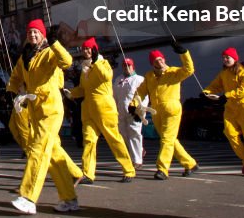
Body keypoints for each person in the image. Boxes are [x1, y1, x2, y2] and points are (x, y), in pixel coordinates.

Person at [9, 19, 79, 215]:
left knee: (38, 150)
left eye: (36, 32)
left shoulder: (50, 52)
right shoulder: (25, 57)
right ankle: (69, 199)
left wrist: (55, 42)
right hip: (34, 109)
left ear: (42, 35)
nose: (32, 35)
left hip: (50, 108)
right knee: (54, 156)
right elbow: (15, 78)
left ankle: (28, 197)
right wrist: (13, 91)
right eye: (30, 32)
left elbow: (67, 62)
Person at [66, 38, 135, 183]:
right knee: (89, 141)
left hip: (104, 108)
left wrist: (96, 62)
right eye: (84, 49)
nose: (86, 51)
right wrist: (70, 92)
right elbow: (83, 89)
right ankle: (88, 173)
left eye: (88, 48)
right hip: (88, 109)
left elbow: (106, 76)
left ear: (95, 50)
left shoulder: (103, 63)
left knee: (113, 139)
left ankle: (128, 169)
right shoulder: (84, 68)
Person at [134, 41, 197, 180]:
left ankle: (162, 169)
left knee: (167, 139)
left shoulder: (173, 72)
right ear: (153, 63)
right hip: (156, 112)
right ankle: (190, 164)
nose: (160, 61)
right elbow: (140, 92)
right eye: (157, 60)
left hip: (172, 109)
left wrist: (184, 53)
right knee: (169, 139)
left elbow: (189, 69)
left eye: (161, 58)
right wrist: (134, 104)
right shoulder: (149, 76)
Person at [203, 47, 244, 176]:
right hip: (230, 108)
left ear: (235, 59)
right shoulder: (223, 74)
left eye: (228, 57)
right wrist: (207, 92)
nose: (225, 59)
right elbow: (215, 85)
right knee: (229, 133)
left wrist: (228, 95)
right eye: (224, 57)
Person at [113, 58, 146, 169]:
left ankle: (137, 160)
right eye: (125, 65)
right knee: (123, 134)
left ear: (133, 66)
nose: (127, 67)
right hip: (121, 112)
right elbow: (115, 95)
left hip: (134, 111)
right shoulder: (118, 79)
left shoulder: (139, 79)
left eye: (129, 65)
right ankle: (139, 150)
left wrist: (139, 109)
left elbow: (144, 96)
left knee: (134, 133)